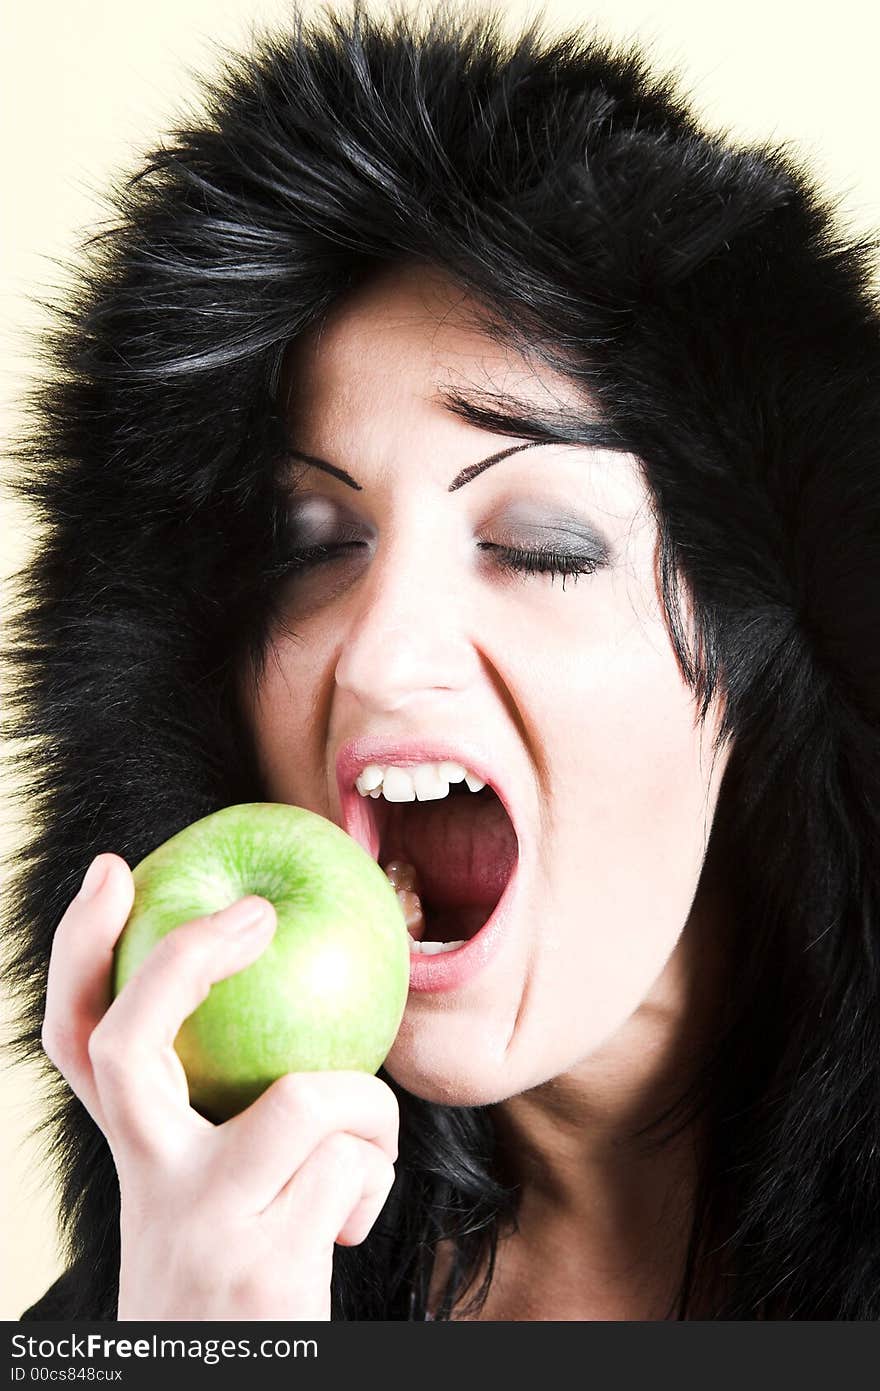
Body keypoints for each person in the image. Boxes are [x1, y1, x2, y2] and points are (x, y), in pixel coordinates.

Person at [4, 0, 879, 1321]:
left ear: (770, 661)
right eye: (310, 544)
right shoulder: (154, 1317)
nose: (378, 649)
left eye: (537, 544)